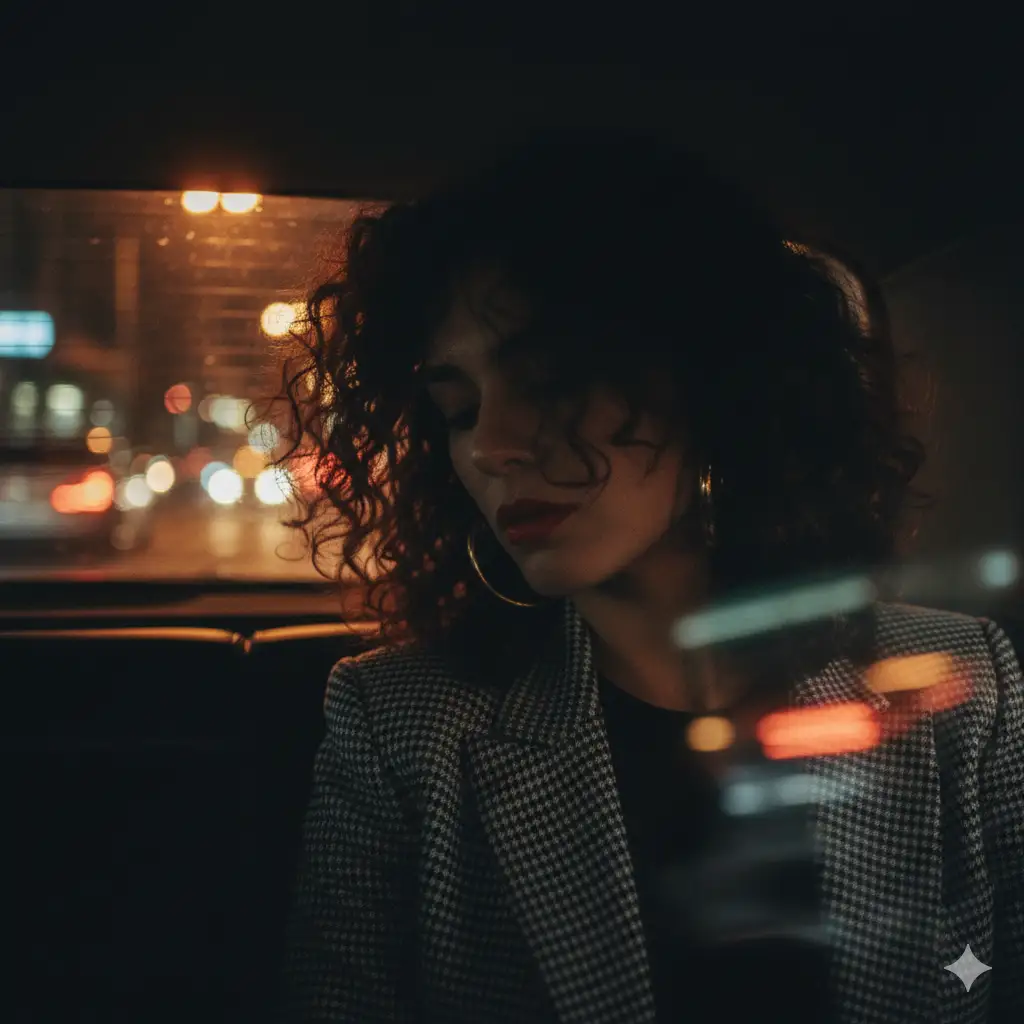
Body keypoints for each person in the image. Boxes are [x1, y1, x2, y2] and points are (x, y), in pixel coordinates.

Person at [275, 132, 1024, 1023]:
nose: (489, 445)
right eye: (456, 407)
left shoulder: (963, 684)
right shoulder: (399, 725)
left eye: (550, 379)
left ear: (710, 379)